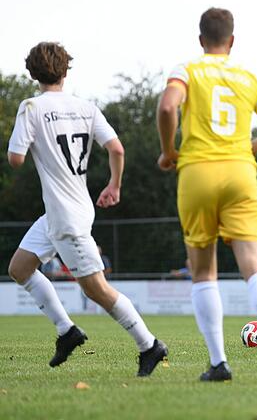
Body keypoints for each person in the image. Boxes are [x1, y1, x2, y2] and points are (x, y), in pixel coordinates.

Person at [6, 42, 167, 376]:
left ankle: (149, 344)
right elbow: (117, 149)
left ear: (33, 73)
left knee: (96, 289)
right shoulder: (86, 107)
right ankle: (67, 331)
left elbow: (16, 159)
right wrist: (114, 185)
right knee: (20, 268)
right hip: (63, 211)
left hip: (66, 217)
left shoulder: (31, 108)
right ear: (66, 70)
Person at [156, 8, 257, 383]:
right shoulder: (249, 76)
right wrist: (247, 148)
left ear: (201, 39)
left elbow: (168, 105)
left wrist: (169, 151)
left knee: (203, 270)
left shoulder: (187, 68)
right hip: (240, 172)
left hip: (197, 171)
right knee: (255, 263)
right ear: (231, 40)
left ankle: (219, 363)